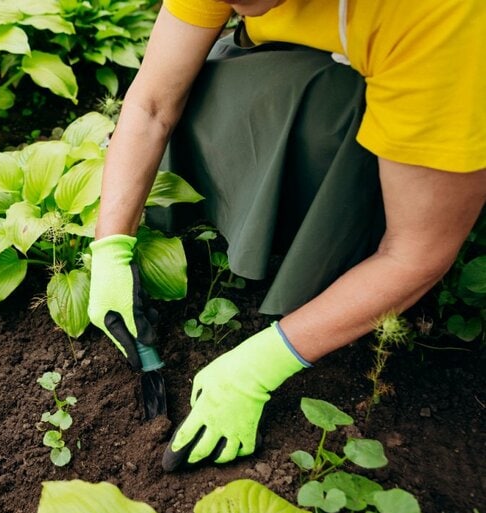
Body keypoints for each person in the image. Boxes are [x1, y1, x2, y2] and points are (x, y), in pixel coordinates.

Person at [87, 0, 486, 470]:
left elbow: (417, 252)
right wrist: (110, 247)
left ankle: (328, 253)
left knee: (332, 125)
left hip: (438, 88)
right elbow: (152, 104)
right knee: (205, 85)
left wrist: (259, 366)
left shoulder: (440, 18)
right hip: (322, 60)